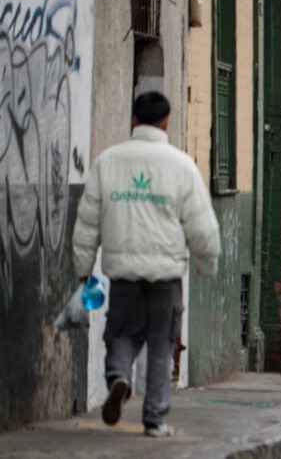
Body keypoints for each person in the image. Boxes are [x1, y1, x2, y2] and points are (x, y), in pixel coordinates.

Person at [71, 92, 221, 438]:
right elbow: (202, 226)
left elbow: (87, 224)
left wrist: (82, 269)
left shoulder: (106, 162)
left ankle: (118, 377)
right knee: (160, 344)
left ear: (134, 120)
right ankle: (154, 419)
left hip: (122, 275)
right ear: (166, 122)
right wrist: (206, 264)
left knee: (122, 333)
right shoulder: (181, 165)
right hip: (165, 277)